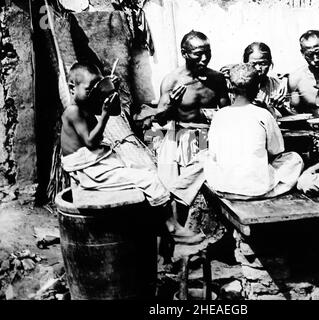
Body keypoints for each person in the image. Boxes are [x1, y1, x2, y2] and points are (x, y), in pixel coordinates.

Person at [60, 62, 204, 245]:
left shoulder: (87, 102)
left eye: (98, 86)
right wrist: (103, 115)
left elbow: (115, 111)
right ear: (72, 88)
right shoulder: (74, 111)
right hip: (88, 168)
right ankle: (171, 228)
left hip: (96, 160)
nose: (95, 92)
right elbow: (90, 141)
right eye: (91, 89)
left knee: (146, 170)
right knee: (149, 180)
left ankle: (163, 228)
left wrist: (110, 91)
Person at [146, 30, 230, 225]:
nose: (204, 58)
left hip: (207, 137)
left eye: (207, 53)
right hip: (181, 136)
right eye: (198, 53)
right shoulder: (172, 80)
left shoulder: (217, 80)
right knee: (175, 191)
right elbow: (158, 119)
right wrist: (172, 105)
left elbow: (226, 113)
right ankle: (178, 238)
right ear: (184, 53)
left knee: (207, 191)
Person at [205, 63, 303, 199]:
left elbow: (214, 154)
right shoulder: (263, 115)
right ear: (257, 87)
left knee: (207, 158)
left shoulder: (219, 115)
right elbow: (276, 150)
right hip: (255, 189)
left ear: (230, 87)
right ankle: (266, 192)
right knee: (294, 159)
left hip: (223, 187)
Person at [221, 42, 292, 118]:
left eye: (263, 63)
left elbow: (292, 118)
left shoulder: (279, 86)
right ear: (245, 63)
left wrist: (279, 108)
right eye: (253, 64)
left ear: (270, 63)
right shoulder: (232, 84)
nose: (258, 68)